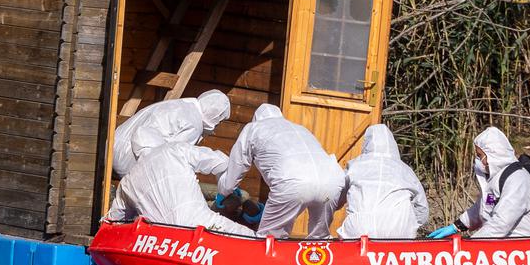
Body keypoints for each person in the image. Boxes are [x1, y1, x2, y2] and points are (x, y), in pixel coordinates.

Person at [218, 104, 346, 238]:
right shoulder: (300, 128)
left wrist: (224, 191)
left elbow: (238, 164)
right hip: (331, 182)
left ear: (257, 118)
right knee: (319, 242)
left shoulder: (253, 128)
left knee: (270, 240)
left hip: (292, 182)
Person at [105, 141, 251, 234]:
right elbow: (221, 162)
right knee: (252, 240)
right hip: (201, 223)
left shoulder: (127, 182)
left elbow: (112, 222)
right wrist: (226, 188)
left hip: (161, 242)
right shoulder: (173, 150)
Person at [428, 127, 530, 238]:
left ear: (493, 154)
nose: (477, 160)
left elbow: (501, 223)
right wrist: (457, 226)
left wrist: (472, 245)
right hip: (504, 247)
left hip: (525, 247)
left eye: (480, 155)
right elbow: (485, 206)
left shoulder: (517, 180)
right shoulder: (495, 179)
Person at [338, 124, 429, 240]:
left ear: (366, 143)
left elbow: (337, 197)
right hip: (399, 230)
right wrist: (411, 224)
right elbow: (422, 209)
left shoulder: (354, 165)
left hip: (360, 230)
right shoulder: (405, 170)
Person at [111, 90, 231, 176]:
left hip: (113, 148)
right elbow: (174, 158)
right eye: (219, 121)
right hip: (129, 162)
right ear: (214, 115)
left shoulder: (181, 105)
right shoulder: (194, 124)